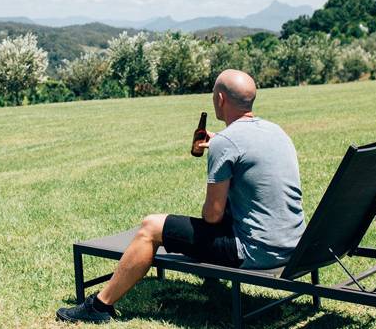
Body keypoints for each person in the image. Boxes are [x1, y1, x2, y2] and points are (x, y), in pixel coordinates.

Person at [56, 69, 306, 323]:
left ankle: (99, 306)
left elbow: (211, 216)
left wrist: (220, 145)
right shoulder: (276, 131)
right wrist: (220, 140)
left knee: (151, 227)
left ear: (220, 99)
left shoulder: (227, 143)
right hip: (292, 245)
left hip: (254, 252)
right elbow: (248, 151)